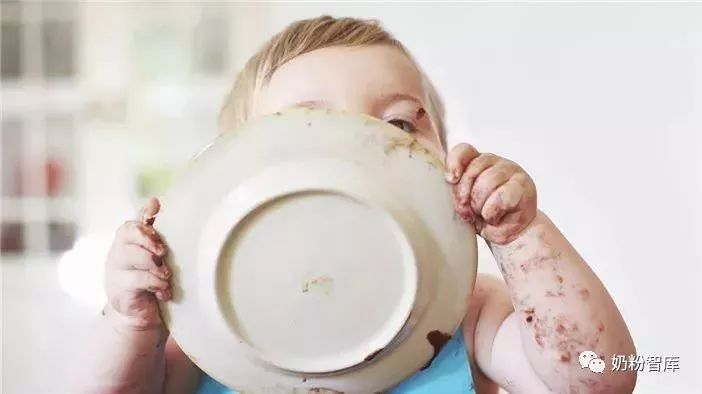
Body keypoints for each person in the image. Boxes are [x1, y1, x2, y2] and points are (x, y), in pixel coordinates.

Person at [71, 16, 637, 394]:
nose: (360, 154)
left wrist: (524, 239)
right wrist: (130, 322)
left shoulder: (467, 312)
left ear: (442, 155)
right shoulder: (206, 326)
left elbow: (604, 376)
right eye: (305, 128)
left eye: (395, 125)